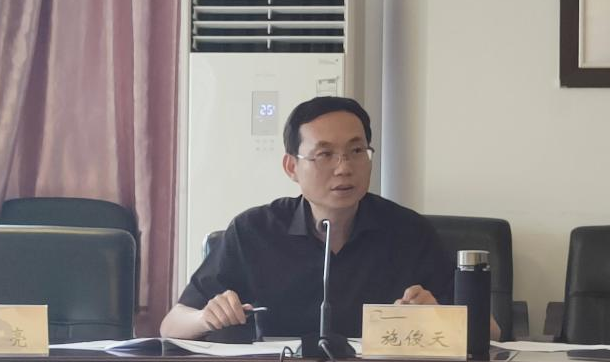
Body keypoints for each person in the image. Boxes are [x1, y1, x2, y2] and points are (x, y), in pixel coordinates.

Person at [160, 96, 460, 341]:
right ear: (291, 167)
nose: (344, 168)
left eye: (356, 151)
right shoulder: (253, 231)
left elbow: (479, 330)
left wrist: (438, 316)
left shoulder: (409, 231)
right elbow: (172, 324)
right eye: (325, 155)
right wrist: (206, 318)